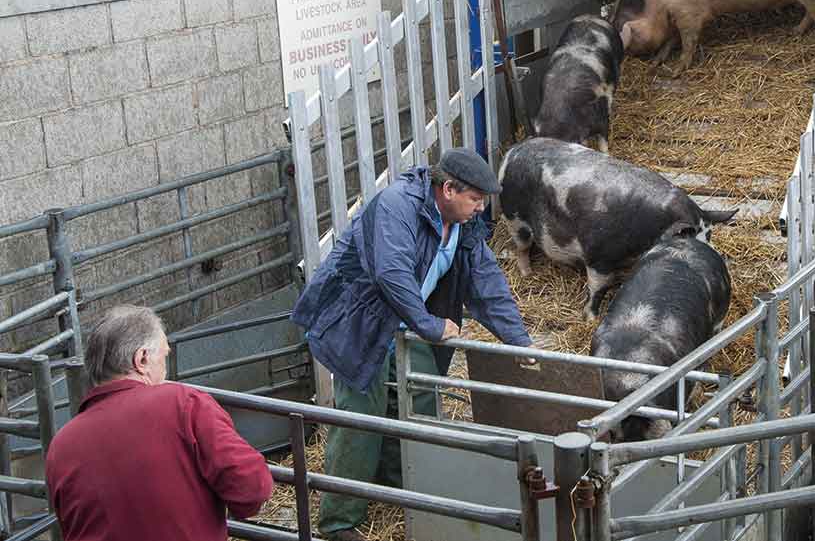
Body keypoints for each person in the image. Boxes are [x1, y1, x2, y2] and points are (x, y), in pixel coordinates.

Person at [292, 147, 534, 541]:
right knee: (360, 417)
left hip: (408, 322)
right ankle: (339, 520)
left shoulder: (463, 224)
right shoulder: (397, 207)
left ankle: (398, 482)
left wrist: (521, 345)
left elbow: (486, 280)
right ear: (449, 189)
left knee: (419, 397)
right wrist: (431, 326)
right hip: (360, 321)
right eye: (475, 199)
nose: (480, 208)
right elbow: (391, 273)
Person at [45, 305, 273, 541]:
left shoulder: (60, 446)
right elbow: (252, 489)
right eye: (164, 356)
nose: (166, 370)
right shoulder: (183, 403)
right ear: (142, 358)